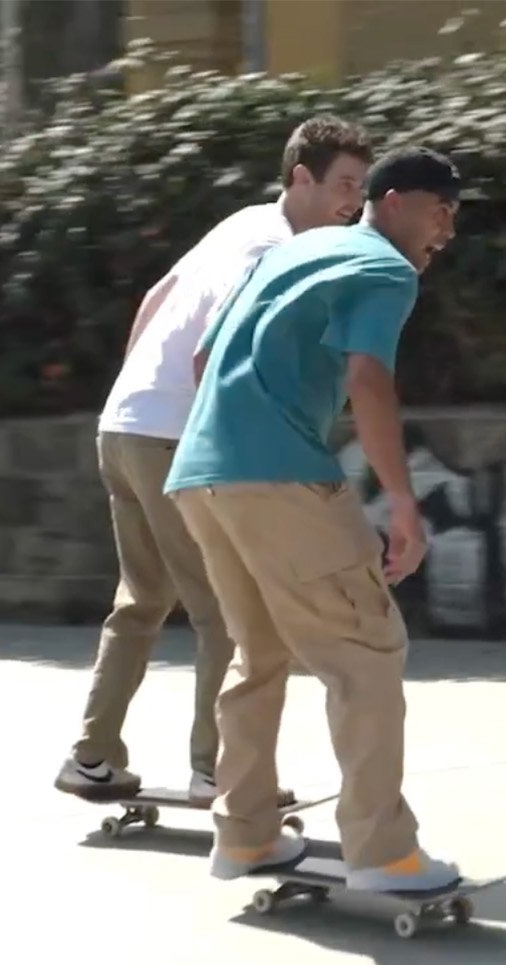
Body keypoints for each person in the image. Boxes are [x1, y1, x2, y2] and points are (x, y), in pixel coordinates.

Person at [164, 147, 464, 891]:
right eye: (440, 209)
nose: (448, 230)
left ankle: (245, 833)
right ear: (391, 201)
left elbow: (203, 359)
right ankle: (383, 852)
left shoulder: (293, 254)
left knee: (258, 651)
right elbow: (368, 378)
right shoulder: (383, 269)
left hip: (201, 472)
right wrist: (401, 501)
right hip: (278, 475)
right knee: (366, 649)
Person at [54, 116, 375, 804]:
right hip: (173, 433)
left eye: (362, 187)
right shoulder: (269, 246)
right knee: (230, 612)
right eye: (343, 185)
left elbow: (153, 301)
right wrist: (222, 436)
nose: (354, 201)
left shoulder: (242, 222)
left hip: (126, 424)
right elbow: (215, 345)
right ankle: (218, 770)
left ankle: (93, 757)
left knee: (140, 604)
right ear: (301, 178)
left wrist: (134, 393)